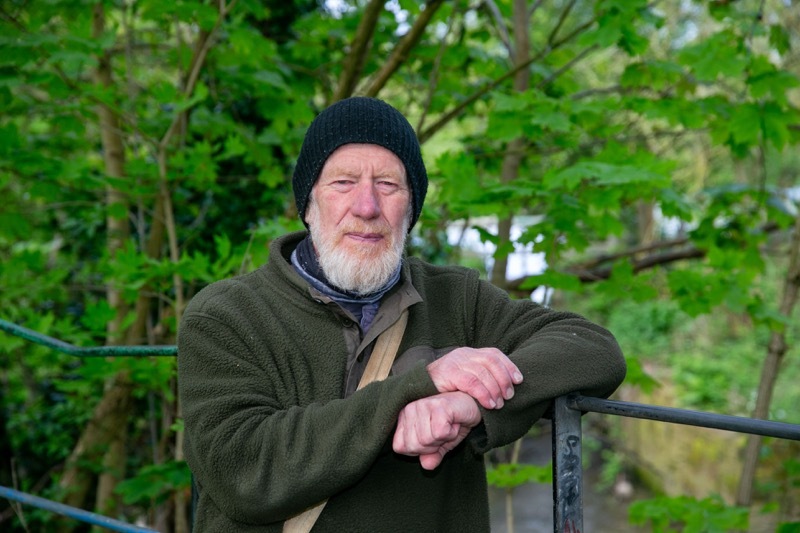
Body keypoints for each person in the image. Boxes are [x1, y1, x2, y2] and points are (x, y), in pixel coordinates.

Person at [177, 97, 626, 532]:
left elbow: (592, 350)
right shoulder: (225, 315)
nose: (367, 207)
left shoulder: (456, 296)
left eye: (388, 185)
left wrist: (467, 403)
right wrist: (418, 386)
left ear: (410, 207)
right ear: (309, 203)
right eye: (343, 183)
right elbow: (246, 474)